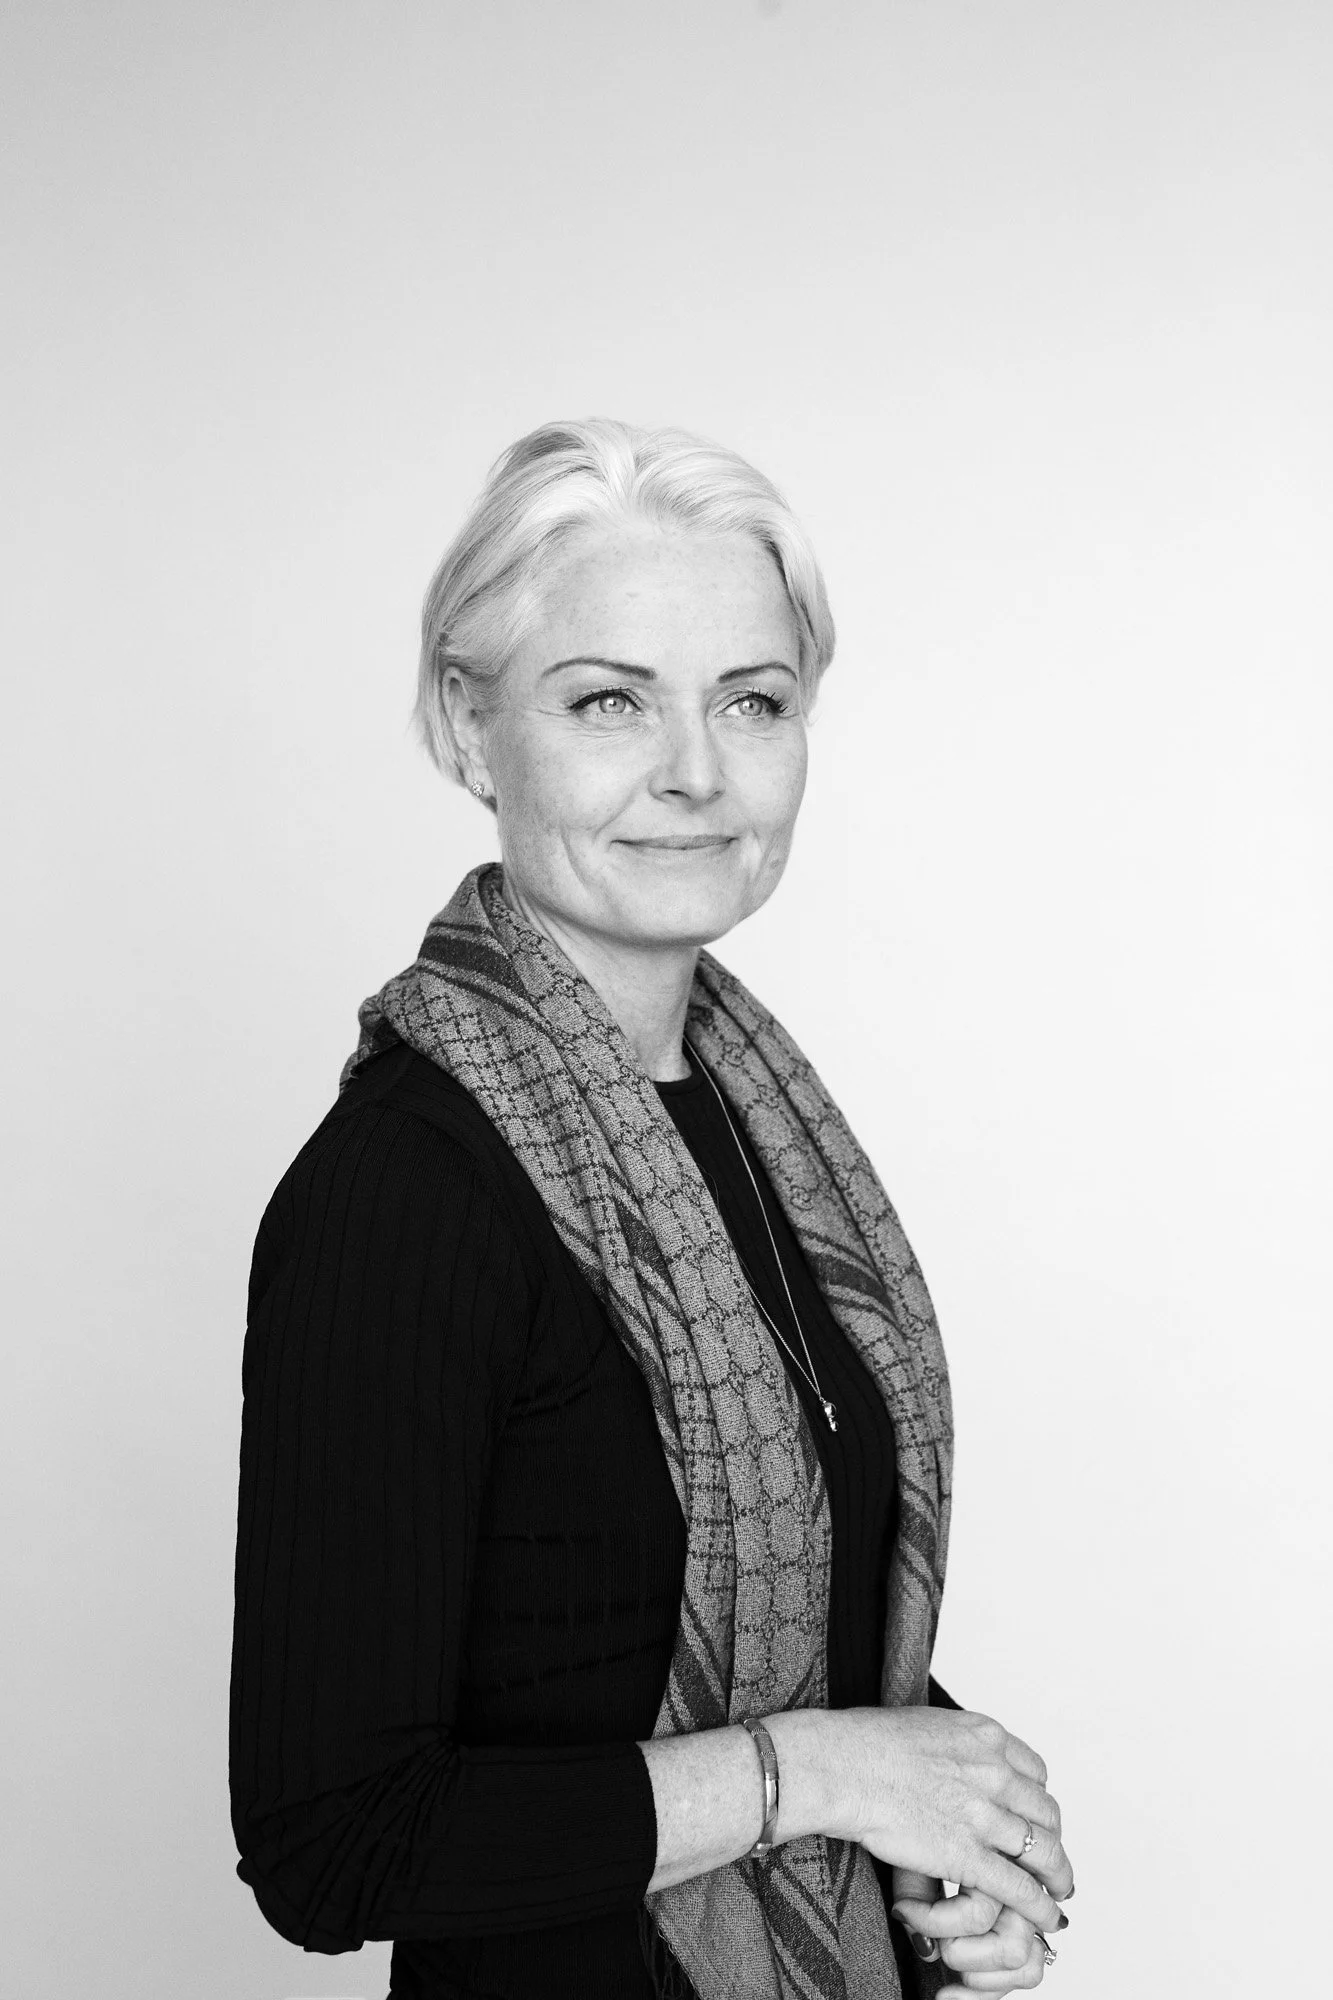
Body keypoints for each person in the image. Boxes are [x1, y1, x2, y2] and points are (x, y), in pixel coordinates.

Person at [229, 419, 1074, 2000]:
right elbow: (332, 1839)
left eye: (751, 702)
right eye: (610, 700)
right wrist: (822, 1779)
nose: (696, 771)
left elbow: (746, 1621)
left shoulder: (765, 1129)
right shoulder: (404, 1194)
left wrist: (946, 1822)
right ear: (474, 732)